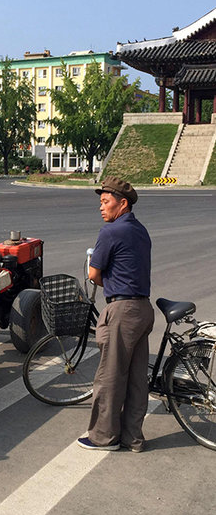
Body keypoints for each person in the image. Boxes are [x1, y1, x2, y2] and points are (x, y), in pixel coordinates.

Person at [77, 176, 154, 453]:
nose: (101, 207)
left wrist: (108, 282)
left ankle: (103, 437)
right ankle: (133, 438)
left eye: (105, 201)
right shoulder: (141, 230)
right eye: (100, 202)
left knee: (109, 377)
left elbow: (93, 274)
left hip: (122, 310)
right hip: (143, 309)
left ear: (122, 204)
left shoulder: (110, 232)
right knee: (136, 379)